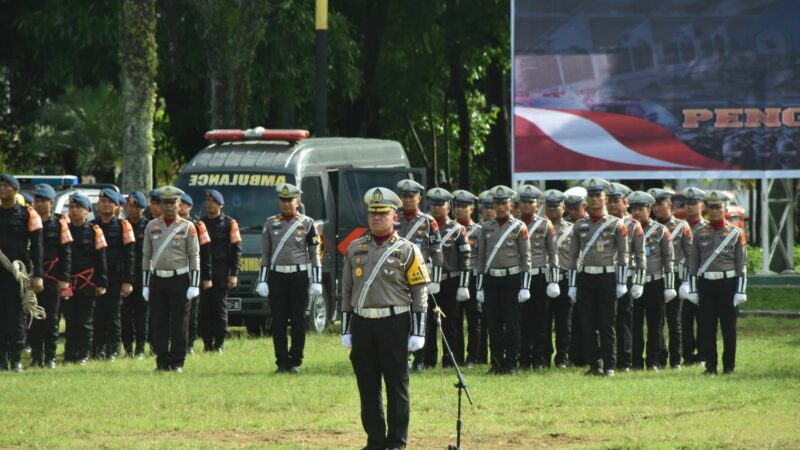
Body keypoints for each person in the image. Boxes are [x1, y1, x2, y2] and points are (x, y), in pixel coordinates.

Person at [341, 187, 429, 450]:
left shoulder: (408, 250)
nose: (377, 218)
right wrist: (346, 329)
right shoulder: (355, 247)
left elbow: (419, 291)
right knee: (367, 386)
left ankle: (397, 442)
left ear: (394, 217)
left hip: (395, 323)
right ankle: (375, 441)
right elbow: (346, 291)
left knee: (396, 385)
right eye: (373, 213)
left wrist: (418, 331)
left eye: (383, 213)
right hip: (363, 323)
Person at [255, 183, 321, 373]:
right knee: (278, 321)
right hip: (277, 276)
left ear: (297, 201)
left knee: (298, 320)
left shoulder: (308, 224)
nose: (285, 204)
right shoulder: (270, 223)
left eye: (289, 200)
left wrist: (316, 280)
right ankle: (281, 362)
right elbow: (265, 254)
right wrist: (263, 279)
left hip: (298, 276)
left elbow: (314, 254)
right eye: (282, 200)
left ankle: (295, 361)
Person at [567, 178, 629, 377]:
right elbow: (573, 256)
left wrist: (621, 282)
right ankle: (594, 364)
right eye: (591, 195)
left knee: (607, 323)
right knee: (588, 323)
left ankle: (609, 365)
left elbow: (623, 255)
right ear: (587, 199)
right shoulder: (579, 225)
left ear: (605, 199)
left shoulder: (616, 224)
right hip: (586, 278)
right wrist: (572, 284)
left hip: (607, 278)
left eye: (598, 195)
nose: (594, 199)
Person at [687, 190, 747, 375]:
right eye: (711, 207)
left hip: (727, 284)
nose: (714, 211)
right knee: (707, 328)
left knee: (729, 328)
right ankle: (710, 366)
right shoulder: (699, 232)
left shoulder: (735, 232)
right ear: (706, 209)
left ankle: (729, 367)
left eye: (718, 207)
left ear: (724, 208)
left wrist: (740, 290)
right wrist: (692, 289)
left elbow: (741, 264)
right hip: (706, 284)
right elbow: (693, 263)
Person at [142, 186, 200, 373]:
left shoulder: (187, 227)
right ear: (160, 205)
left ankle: (177, 362)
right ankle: (162, 361)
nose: (168, 206)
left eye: (172, 203)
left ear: (179, 204)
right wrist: (145, 285)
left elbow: (194, 256)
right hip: (157, 280)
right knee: (158, 322)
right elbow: (146, 256)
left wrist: (194, 284)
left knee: (179, 323)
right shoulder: (151, 226)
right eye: (165, 203)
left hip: (179, 279)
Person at [475, 185, 531, 375]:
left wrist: (525, 286)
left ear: (511, 205)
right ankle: (496, 362)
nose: (499, 207)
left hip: (512, 279)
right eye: (496, 203)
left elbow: (526, 258)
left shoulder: (519, 227)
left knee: (512, 323)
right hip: (491, 280)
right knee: (493, 323)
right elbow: (481, 259)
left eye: (503, 203)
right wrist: (479, 286)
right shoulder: (486, 227)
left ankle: (511, 363)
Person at [394, 179, 443, 372]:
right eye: (404, 196)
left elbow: (437, 252)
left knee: (420, 316)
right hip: (396, 275)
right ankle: (402, 356)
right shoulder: (393, 217)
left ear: (419, 198)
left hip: (418, 276)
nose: (407, 199)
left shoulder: (428, 221)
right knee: (399, 317)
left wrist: (436, 280)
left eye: (411, 196)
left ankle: (420, 359)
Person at [422, 187, 470, 368]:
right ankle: (428, 360)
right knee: (427, 322)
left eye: (440, 204)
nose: (436, 208)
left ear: (448, 207)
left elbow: (465, 258)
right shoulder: (423, 226)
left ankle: (450, 360)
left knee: (450, 323)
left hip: (450, 280)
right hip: (427, 280)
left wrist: (463, 285)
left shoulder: (457, 229)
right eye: (434, 204)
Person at [0, 174, 44, 372]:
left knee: (16, 315)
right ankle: (2, 358)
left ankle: (16, 357)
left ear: (15, 190)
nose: (1, 188)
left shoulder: (28, 214)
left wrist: (38, 275)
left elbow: (37, 246)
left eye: (5, 185)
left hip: (17, 272)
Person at [627, 191, 675, 371]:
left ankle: (653, 361)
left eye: (641, 209)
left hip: (655, 282)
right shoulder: (626, 228)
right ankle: (636, 361)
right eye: (634, 209)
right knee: (634, 324)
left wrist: (669, 286)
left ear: (649, 210)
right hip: (634, 282)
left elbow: (669, 259)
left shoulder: (660, 230)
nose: (637, 212)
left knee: (655, 325)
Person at [516, 185, 559, 370]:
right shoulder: (514, 224)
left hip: (539, 276)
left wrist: (553, 280)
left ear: (538, 204)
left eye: (530, 202)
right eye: (523, 202)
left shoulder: (545, 225)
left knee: (541, 320)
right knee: (520, 320)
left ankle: (540, 358)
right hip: (518, 277)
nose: (526, 205)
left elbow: (553, 254)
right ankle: (523, 358)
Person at [29, 184, 72, 368]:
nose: (39, 204)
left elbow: (66, 254)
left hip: (53, 278)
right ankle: (36, 357)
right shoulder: (29, 222)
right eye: (36, 201)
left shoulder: (60, 224)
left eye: (43, 201)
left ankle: (50, 357)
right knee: (33, 319)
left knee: (52, 319)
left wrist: (65, 279)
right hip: (32, 276)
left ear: (51, 203)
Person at [650, 188, 693, 369]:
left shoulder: (682, 226)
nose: (656, 208)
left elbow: (690, 255)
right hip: (655, 276)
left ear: (669, 205)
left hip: (675, 276)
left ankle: (676, 359)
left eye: (660, 204)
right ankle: (660, 357)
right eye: (654, 205)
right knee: (656, 320)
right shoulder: (649, 226)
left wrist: (686, 281)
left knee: (674, 320)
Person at [91, 188, 135, 360]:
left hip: (116, 276)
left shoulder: (123, 226)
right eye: (103, 201)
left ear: (117, 206)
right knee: (97, 315)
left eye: (110, 202)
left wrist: (128, 281)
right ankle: (98, 349)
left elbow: (130, 256)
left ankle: (114, 349)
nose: (106, 204)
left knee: (114, 315)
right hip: (96, 277)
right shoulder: (93, 225)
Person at [64, 193, 107, 365]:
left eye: (77, 208)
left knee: (85, 320)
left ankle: (84, 354)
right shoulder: (64, 229)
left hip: (87, 283)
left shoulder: (95, 231)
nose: (73, 211)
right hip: (67, 284)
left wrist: (101, 283)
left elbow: (101, 260)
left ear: (86, 211)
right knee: (70, 319)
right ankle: (70, 353)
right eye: (71, 207)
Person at [607, 182, 645, 373]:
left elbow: (640, 255)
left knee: (624, 319)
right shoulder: (601, 223)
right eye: (610, 201)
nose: (613, 205)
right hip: (605, 276)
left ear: (626, 203)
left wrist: (639, 282)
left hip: (626, 277)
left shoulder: (633, 225)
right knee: (605, 320)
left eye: (617, 201)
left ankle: (625, 361)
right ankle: (608, 358)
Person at [198, 189, 241, 353]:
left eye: (213, 202)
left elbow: (236, 251)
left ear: (220, 205)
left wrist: (234, 274)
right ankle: (207, 344)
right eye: (208, 201)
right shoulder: (200, 224)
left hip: (221, 272)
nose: (210, 204)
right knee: (204, 310)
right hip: (203, 273)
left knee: (219, 310)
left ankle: (219, 345)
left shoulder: (229, 223)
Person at [451, 189, 484, 366]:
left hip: (472, 277)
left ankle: (473, 356)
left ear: (471, 209)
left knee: (474, 319)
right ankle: (457, 357)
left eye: (464, 206)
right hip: (454, 276)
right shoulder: (449, 230)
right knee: (454, 319)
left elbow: (482, 256)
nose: (460, 210)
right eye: (457, 206)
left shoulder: (478, 231)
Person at [543, 189, 575, 368]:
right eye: (549, 205)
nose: (553, 209)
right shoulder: (538, 227)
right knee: (543, 320)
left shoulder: (572, 229)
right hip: (544, 278)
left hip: (564, 278)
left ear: (564, 208)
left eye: (556, 206)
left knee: (564, 321)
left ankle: (562, 357)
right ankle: (544, 355)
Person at [179, 193, 212, 354]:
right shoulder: (168, 225)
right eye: (178, 204)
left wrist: (206, 277)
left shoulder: (198, 225)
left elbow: (205, 253)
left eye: (183, 204)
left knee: (192, 313)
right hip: (174, 273)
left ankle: (189, 344)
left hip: (192, 274)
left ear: (190, 207)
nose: (179, 207)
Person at [680, 187, 707, 366]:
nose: (690, 207)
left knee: (704, 318)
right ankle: (688, 355)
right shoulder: (679, 226)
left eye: (694, 203)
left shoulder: (708, 227)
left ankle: (703, 354)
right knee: (684, 319)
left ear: (702, 205)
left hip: (702, 277)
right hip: (682, 278)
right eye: (688, 203)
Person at [122, 191, 151, 359]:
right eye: (130, 206)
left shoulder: (150, 227)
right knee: (125, 315)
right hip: (125, 277)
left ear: (142, 208)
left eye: (136, 207)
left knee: (142, 316)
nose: (132, 209)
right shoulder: (122, 225)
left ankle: (140, 349)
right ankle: (128, 349)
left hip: (143, 277)